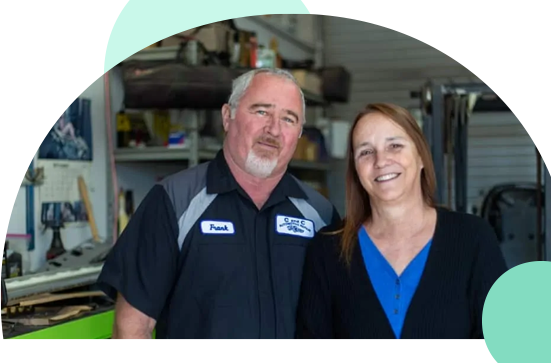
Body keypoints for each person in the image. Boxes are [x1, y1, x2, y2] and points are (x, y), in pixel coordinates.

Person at [97, 68, 341, 339]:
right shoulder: (174, 202)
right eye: (261, 111)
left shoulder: (320, 215)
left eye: (288, 119)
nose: (273, 129)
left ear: (298, 133)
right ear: (227, 117)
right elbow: (132, 327)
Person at [295, 103, 508, 340]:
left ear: (421, 156)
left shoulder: (473, 239)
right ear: (355, 169)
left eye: (394, 146)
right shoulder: (327, 250)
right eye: (366, 152)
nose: (381, 161)